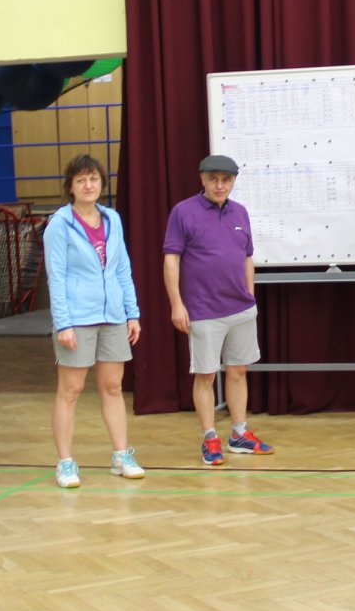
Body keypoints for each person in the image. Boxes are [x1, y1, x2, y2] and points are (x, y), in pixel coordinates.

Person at [163, 153, 273, 465]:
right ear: (202, 179)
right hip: (203, 310)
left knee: (239, 371)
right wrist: (177, 304)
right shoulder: (183, 212)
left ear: (233, 181)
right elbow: (171, 259)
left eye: (226, 179)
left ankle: (239, 434)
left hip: (241, 309)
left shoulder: (240, 212)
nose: (220, 185)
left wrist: (250, 296)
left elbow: (246, 257)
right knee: (206, 375)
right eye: (213, 179)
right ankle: (210, 438)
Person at [45, 155, 143, 485]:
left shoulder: (113, 219)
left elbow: (122, 269)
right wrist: (64, 323)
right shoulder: (60, 224)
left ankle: (121, 455)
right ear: (70, 187)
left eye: (94, 179)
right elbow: (56, 276)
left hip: (112, 316)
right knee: (70, 391)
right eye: (81, 180)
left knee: (113, 387)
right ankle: (65, 462)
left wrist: (132, 313)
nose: (89, 185)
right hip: (77, 319)